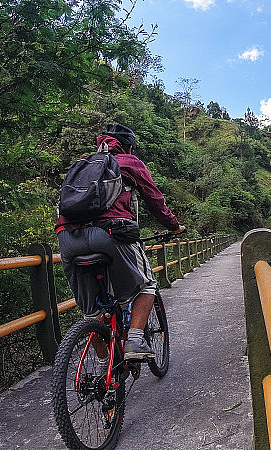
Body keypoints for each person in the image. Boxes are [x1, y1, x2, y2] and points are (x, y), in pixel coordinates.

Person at [55, 124, 186, 360]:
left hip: (67, 236)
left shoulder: (83, 163)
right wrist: (175, 227)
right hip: (111, 232)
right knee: (146, 286)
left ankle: (106, 365)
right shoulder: (129, 162)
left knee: (91, 312)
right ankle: (135, 340)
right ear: (129, 146)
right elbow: (155, 200)